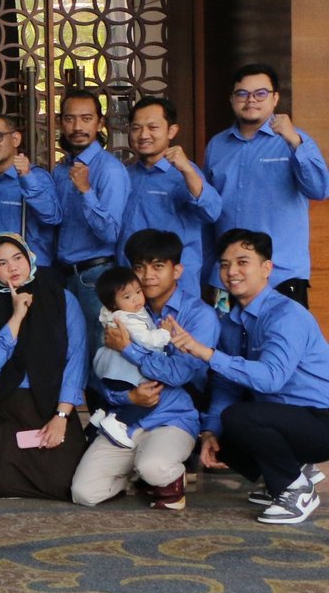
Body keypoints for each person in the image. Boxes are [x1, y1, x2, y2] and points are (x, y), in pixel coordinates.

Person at [182, 229, 329, 524]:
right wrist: (210, 432)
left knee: (239, 417)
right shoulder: (231, 323)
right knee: (211, 420)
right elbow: (226, 385)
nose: (231, 271)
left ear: (266, 268)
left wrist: (208, 354)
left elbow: (271, 378)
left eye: (242, 262)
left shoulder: (287, 315)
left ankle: (295, 488)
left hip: (320, 420)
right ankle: (286, 471)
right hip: (285, 418)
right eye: (224, 264)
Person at [69, 229, 216, 510]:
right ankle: (136, 470)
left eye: (158, 266)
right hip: (127, 417)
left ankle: (163, 473)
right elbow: (106, 373)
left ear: (177, 270)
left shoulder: (199, 315)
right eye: (140, 267)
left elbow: (178, 374)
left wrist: (128, 348)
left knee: (154, 467)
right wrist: (128, 399)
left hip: (171, 418)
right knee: (84, 492)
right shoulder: (120, 310)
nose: (148, 275)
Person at [0, 232, 89, 500]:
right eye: (1, 263)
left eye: (17, 258)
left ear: (29, 258)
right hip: (5, 404)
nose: (12, 267)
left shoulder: (62, 299)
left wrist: (61, 416)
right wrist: (17, 316)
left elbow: (76, 360)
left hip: (50, 404)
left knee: (63, 484)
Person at [202, 64, 329, 307]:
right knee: (227, 344)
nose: (251, 100)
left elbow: (320, 190)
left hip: (280, 275)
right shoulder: (217, 145)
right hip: (228, 277)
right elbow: (209, 210)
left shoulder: (295, 140)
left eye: (260, 93)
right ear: (232, 99)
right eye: (242, 94)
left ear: (275, 98)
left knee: (280, 343)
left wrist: (293, 141)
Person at [52, 89, 131, 370]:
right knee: (69, 355)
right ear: (61, 122)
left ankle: (104, 414)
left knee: (100, 357)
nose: (78, 127)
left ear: (100, 124)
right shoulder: (60, 170)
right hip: (65, 276)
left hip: (95, 277)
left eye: (86, 118)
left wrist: (86, 191)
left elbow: (110, 233)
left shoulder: (108, 169)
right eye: (70, 119)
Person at [119, 96, 217, 291]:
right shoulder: (126, 174)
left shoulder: (184, 172)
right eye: (136, 128)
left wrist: (187, 170)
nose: (143, 135)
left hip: (175, 285)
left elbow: (211, 211)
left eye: (153, 127)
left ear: (171, 131)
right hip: (133, 282)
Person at [85, 265, 172, 448]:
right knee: (149, 401)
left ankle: (98, 417)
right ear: (113, 304)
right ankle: (118, 423)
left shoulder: (117, 313)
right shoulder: (127, 318)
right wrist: (165, 333)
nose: (136, 299)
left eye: (138, 292)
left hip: (111, 372)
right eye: (127, 297)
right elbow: (147, 340)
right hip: (124, 373)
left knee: (113, 401)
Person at [0, 113, 60, 274]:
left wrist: (27, 178)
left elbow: (52, 217)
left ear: (15, 139)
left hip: (31, 274)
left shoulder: (36, 176)